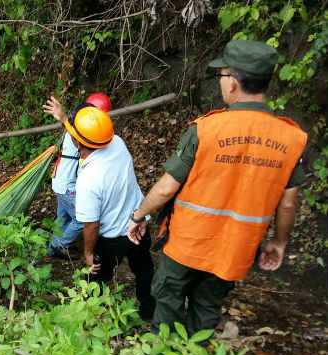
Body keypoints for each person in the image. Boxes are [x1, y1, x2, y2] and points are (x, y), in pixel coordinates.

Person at [127, 40, 308, 334]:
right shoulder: (291, 138)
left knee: (169, 300)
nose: (221, 84)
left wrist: (139, 216)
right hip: (236, 249)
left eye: (222, 76)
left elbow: (165, 189)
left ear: (234, 82)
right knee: (208, 306)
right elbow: (288, 203)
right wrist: (279, 242)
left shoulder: (207, 129)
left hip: (187, 244)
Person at [65, 105, 155, 320]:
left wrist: (88, 253)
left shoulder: (88, 179)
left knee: (97, 277)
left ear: (77, 142)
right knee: (144, 269)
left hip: (113, 238)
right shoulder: (117, 143)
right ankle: (148, 312)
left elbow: (91, 225)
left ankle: (90, 316)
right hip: (139, 222)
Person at [42, 93, 112, 260]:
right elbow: (77, 134)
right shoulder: (80, 131)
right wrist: (63, 117)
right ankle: (57, 245)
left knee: (63, 216)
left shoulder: (76, 125)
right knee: (81, 219)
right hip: (67, 185)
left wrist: (65, 118)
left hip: (59, 181)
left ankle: (55, 242)